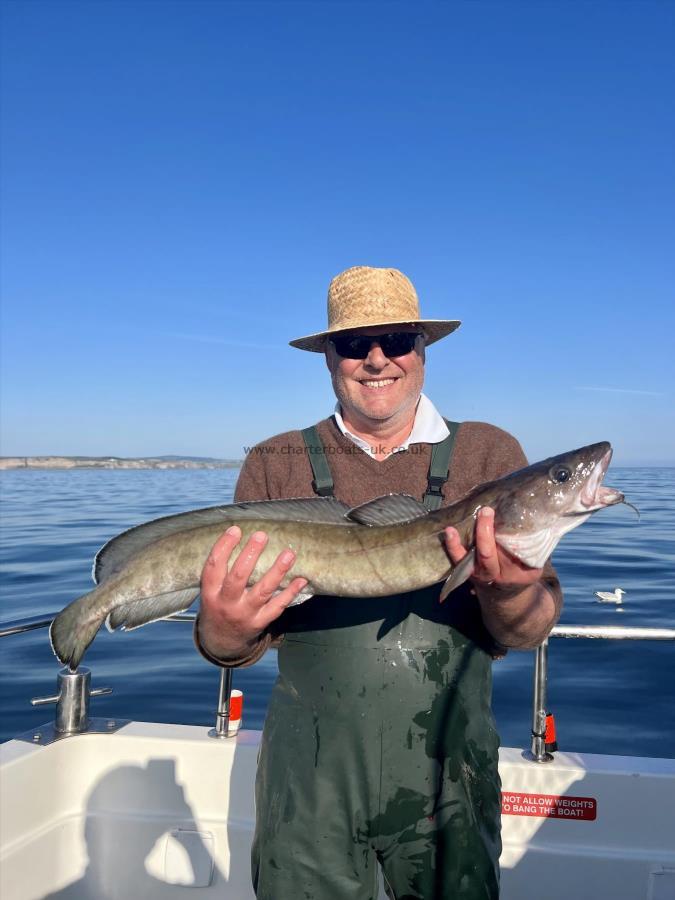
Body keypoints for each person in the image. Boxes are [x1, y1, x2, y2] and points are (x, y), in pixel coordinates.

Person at [195, 265, 562, 900]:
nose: (376, 360)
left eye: (395, 340)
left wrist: (510, 592)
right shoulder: (273, 461)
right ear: (328, 359)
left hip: (453, 772)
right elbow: (231, 648)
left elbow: (527, 631)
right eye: (353, 344)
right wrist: (222, 630)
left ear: (422, 352)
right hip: (309, 781)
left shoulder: (489, 454)